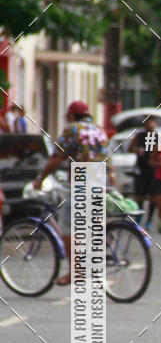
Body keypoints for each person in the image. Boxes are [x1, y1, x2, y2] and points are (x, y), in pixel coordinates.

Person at [33, 100, 111, 284]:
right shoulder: (99, 129)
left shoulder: (73, 129)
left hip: (83, 181)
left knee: (68, 228)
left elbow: (56, 159)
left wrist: (40, 179)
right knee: (91, 222)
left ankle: (75, 272)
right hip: (102, 180)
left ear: (71, 116)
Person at [128, 115, 158, 228]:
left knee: (153, 197)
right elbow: (130, 148)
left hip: (153, 169)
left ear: (155, 124)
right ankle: (139, 217)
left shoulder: (158, 137)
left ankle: (149, 220)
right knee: (140, 196)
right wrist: (137, 150)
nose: (149, 125)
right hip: (140, 169)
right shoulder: (139, 136)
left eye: (151, 123)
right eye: (147, 123)